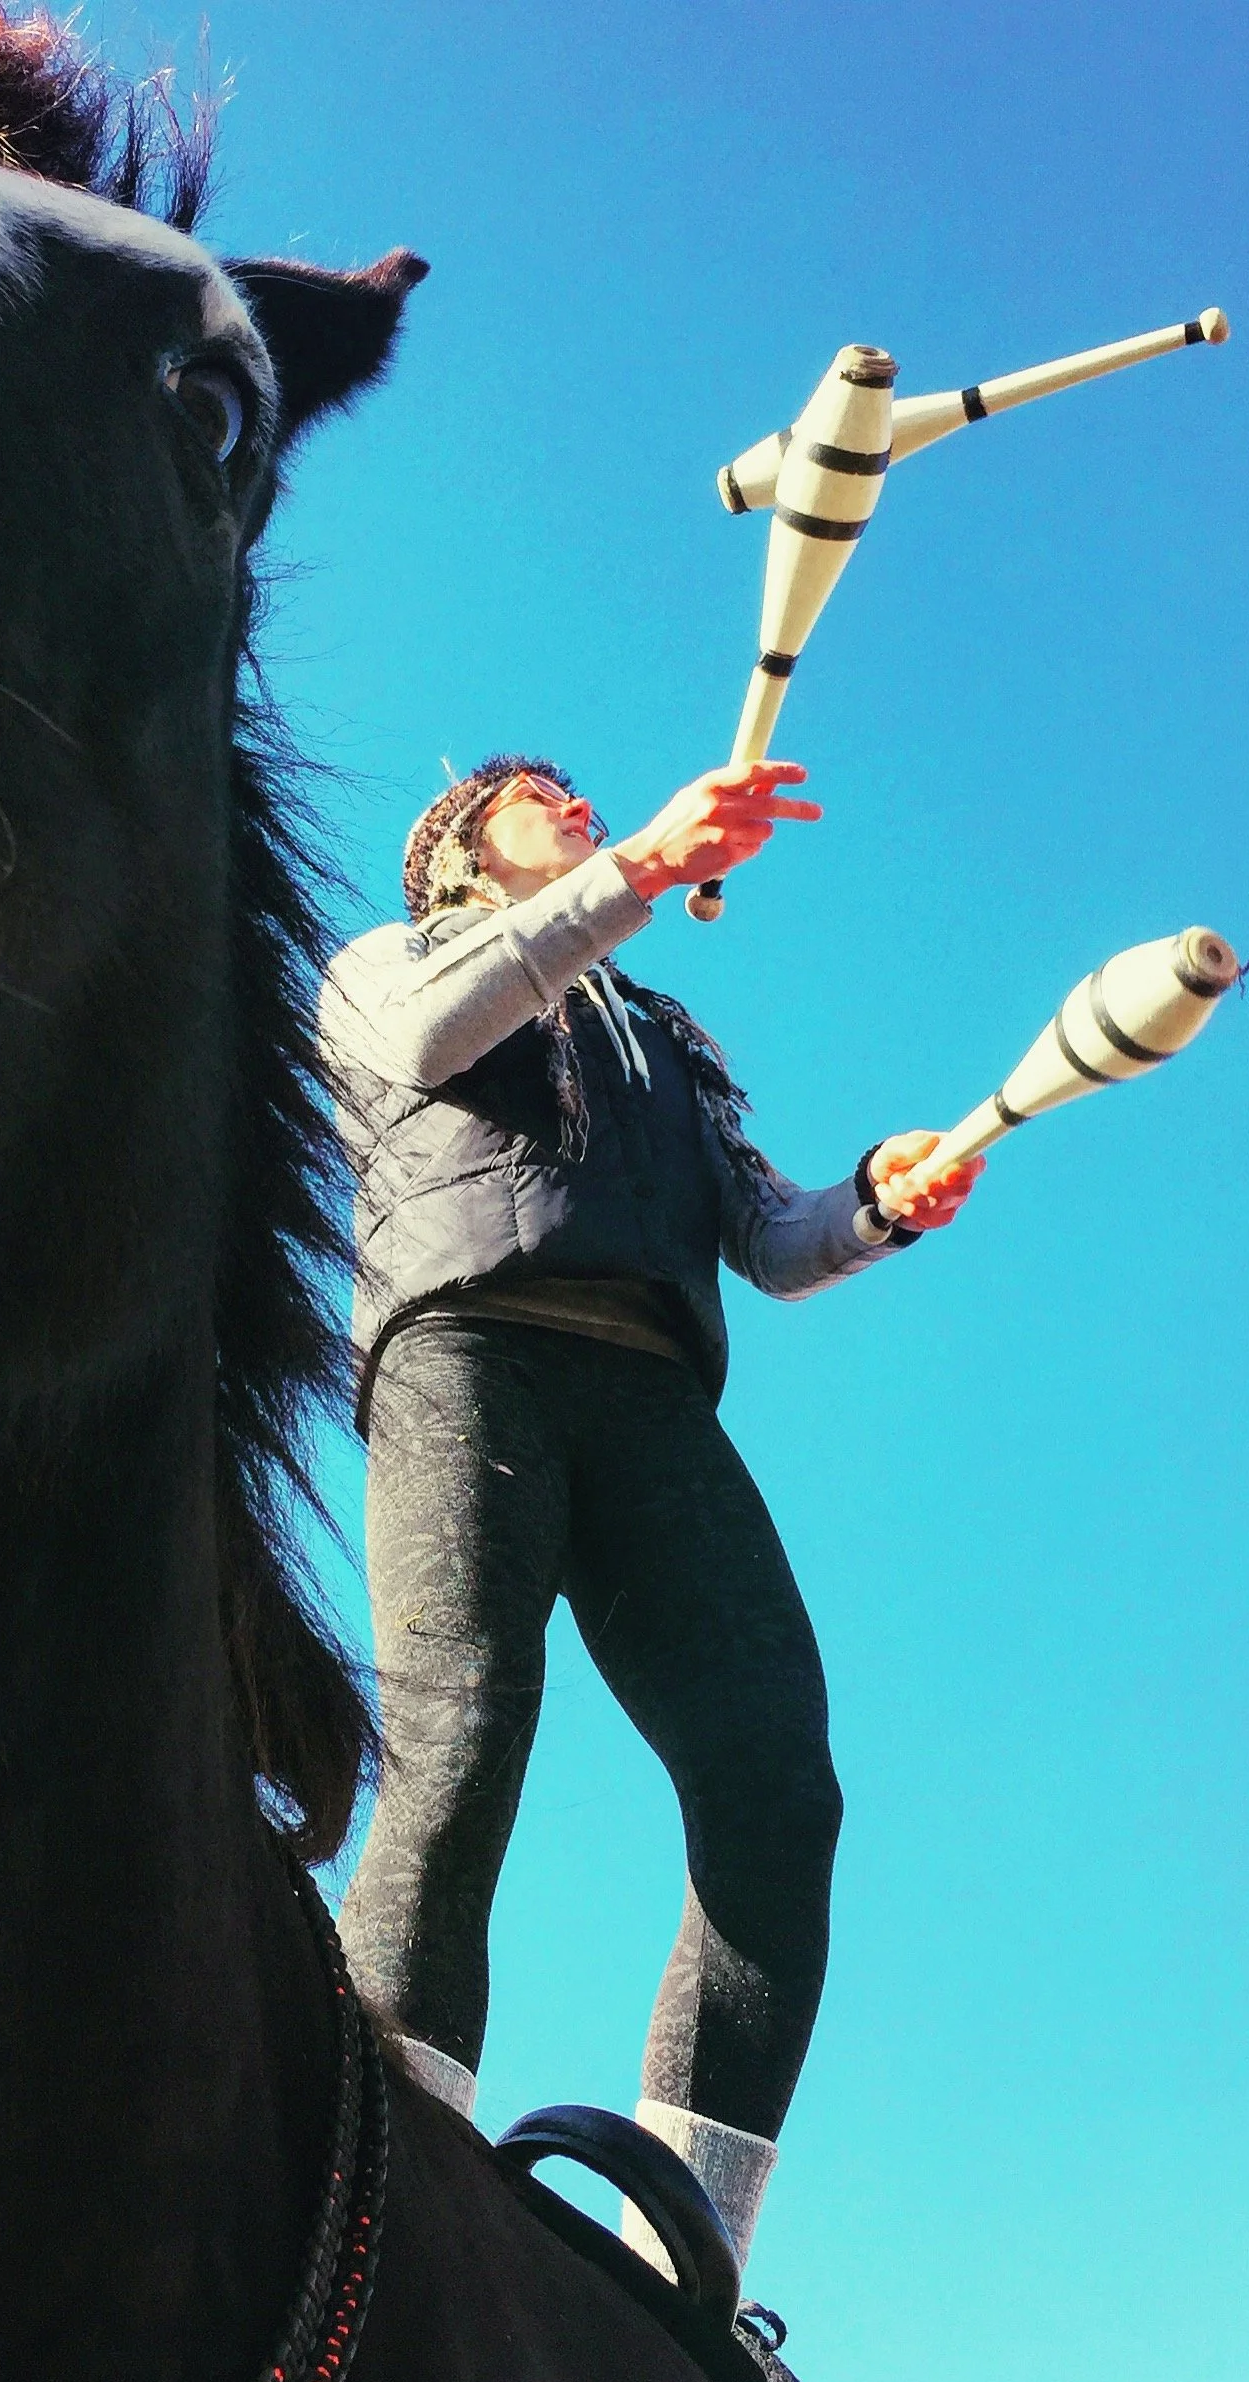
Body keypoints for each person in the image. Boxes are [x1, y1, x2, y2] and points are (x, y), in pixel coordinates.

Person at [323, 753, 979, 2282]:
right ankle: (387, 2208)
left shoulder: (665, 1043)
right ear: (456, 850)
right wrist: (635, 877)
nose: (584, 808)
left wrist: (877, 1200)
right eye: (541, 794)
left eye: (592, 803)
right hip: (464, 1356)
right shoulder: (387, 962)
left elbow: (771, 1236)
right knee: (461, 1739)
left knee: (776, 1794)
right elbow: (431, 1034)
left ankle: (683, 2265)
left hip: (654, 1404)